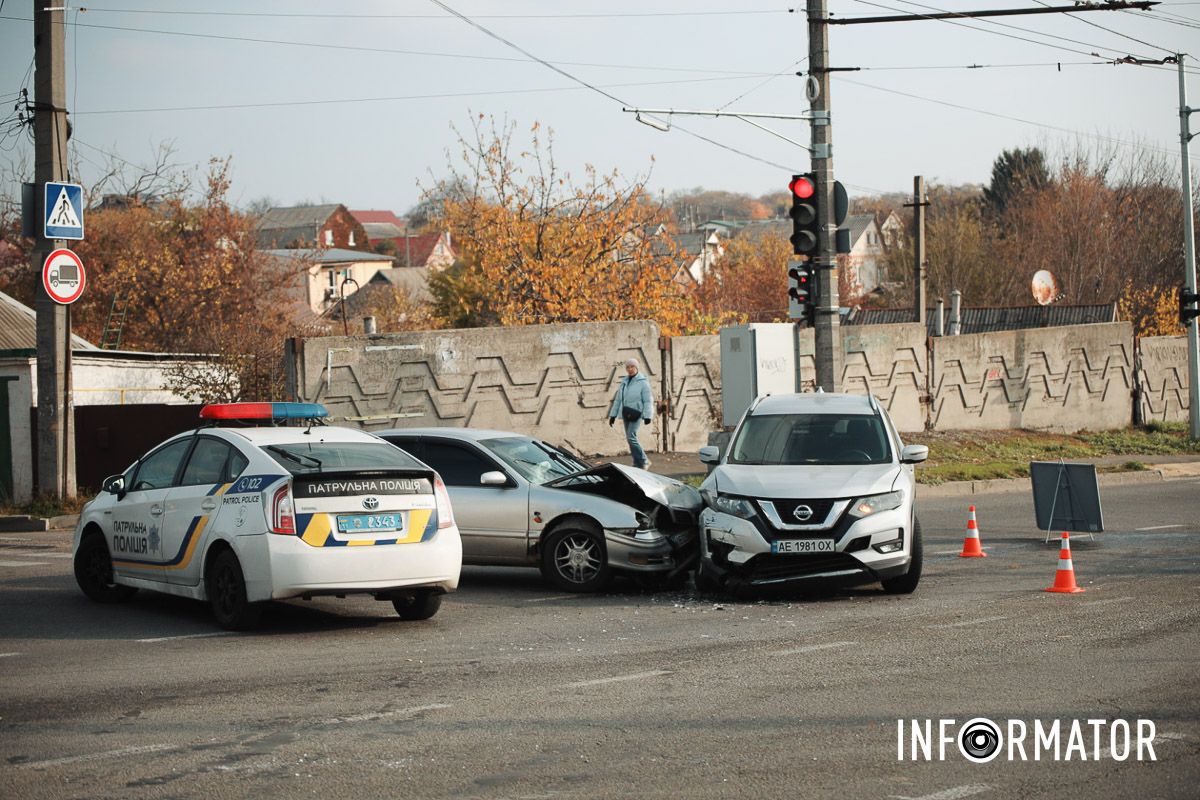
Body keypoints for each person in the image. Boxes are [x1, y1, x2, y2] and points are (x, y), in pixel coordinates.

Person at [607, 358, 654, 469]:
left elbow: (648, 400)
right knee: (630, 438)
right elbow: (618, 400)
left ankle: (644, 460)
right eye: (628, 367)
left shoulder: (643, 382)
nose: (630, 369)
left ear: (636, 367)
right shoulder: (624, 382)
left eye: (632, 366)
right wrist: (612, 415)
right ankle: (637, 462)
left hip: (637, 413)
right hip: (626, 413)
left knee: (631, 437)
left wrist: (648, 416)